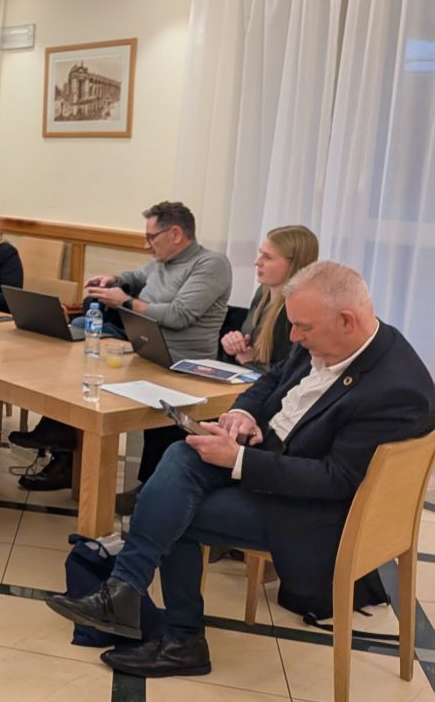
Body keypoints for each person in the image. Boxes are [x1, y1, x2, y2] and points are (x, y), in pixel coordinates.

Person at [46, 262, 435, 678]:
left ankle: (180, 638)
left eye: (302, 328)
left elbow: (336, 480)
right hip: (275, 463)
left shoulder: (396, 389)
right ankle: (125, 591)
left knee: (176, 511)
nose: (293, 337)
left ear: (347, 320)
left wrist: (239, 460)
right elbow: (272, 380)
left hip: (315, 514)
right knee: (183, 453)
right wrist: (243, 414)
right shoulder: (328, 338)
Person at [13, 201, 233, 494]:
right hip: (145, 344)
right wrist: (115, 280)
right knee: (79, 333)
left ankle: (63, 442)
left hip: (178, 360)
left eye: (151, 237)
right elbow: (138, 276)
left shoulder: (210, 264)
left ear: (176, 234)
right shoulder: (163, 260)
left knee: (90, 352)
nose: (146, 245)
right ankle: (62, 437)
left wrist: (126, 302)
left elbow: (178, 316)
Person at [221, 225, 318, 374]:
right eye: (260, 253)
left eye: (267, 257)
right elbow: (247, 351)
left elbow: (290, 372)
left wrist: (250, 363)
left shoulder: (299, 308)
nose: (257, 262)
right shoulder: (263, 293)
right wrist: (233, 345)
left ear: (294, 264)